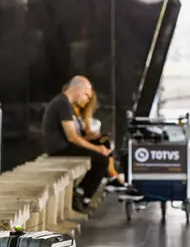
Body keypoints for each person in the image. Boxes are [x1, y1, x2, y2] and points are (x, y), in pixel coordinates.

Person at [42, 76, 141, 211]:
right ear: (77, 89)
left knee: (103, 145)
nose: (87, 99)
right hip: (60, 148)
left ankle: (96, 186)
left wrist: (96, 141)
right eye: (86, 95)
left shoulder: (65, 103)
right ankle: (83, 194)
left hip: (65, 146)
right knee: (101, 160)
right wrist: (96, 148)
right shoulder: (62, 104)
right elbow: (72, 137)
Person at [69, 88, 143, 199]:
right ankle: (112, 178)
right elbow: (74, 137)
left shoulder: (85, 117)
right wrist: (92, 136)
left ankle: (111, 178)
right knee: (103, 155)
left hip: (85, 145)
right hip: (73, 147)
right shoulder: (69, 115)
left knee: (105, 144)